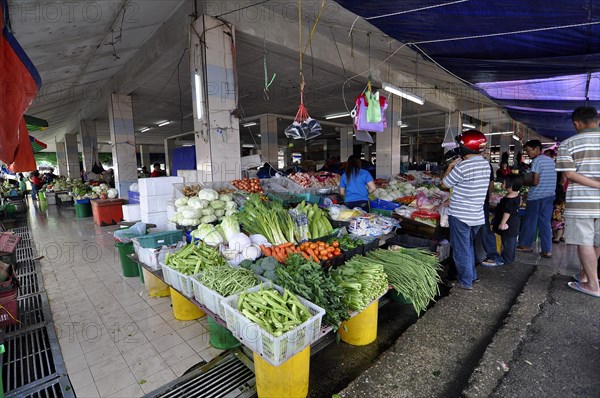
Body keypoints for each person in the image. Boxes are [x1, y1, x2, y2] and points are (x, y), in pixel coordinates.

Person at [556, 106, 600, 298]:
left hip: (582, 202)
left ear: (576, 123)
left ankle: (592, 284)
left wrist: (596, 185)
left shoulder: (568, 144)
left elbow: (569, 174)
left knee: (585, 242)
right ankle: (585, 275)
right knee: (597, 242)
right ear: (597, 121)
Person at [441, 130, 491, 290]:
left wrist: (450, 166)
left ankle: (465, 282)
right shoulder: (485, 164)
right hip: (476, 215)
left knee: (461, 250)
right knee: (468, 246)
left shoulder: (463, 166)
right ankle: (472, 276)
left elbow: (445, 184)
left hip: (461, 215)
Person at [517, 140, 557, 258]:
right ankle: (547, 250)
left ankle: (525, 245)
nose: (528, 153)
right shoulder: (550, 161)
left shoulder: (537, 161)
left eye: (530, 151)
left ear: (537, 149)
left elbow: (535, 182)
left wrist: (522, 181)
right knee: (545, 223)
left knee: (530, 221)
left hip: (537, 197)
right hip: (550, 195)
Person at [492, 174, 522, 265]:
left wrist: (502, 223)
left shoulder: (508, 199)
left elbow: (507, 212)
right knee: (511, 243)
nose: (502, 184)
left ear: (511, 185)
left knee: (508, 242)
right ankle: (509, 258)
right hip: (514, 222)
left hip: (508, 224)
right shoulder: (516, 195)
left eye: (504, 183)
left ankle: (506, 259)